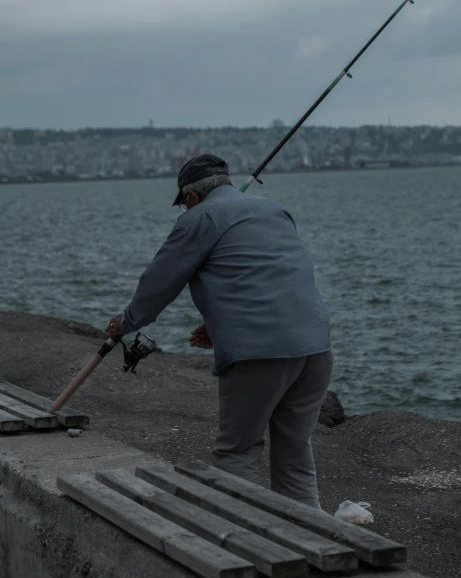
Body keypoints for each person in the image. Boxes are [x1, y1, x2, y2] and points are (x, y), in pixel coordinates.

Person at [106, 153, 332, 508]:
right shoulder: (272, 209)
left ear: (191, 196)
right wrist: (220, 321)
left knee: (236, 455)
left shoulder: (198, 218)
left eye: (182, 203)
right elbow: (268, 276)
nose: (183, 210)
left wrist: (128, 321)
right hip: (316, 347)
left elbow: (159, 283)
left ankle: (242, 545)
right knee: (294, 454)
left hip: (259, 351)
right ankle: (316, 543)